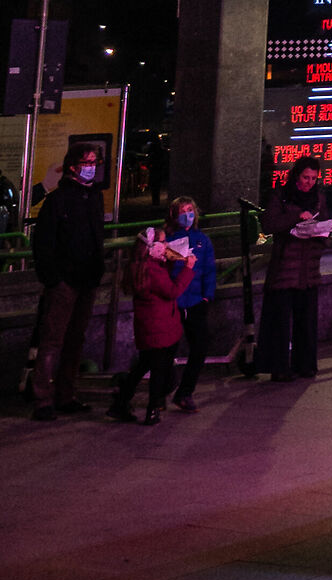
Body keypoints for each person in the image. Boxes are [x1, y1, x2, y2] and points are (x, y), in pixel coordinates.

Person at [28, 140, 108, 421]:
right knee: (53, 340)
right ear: (73, 166)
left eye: (94, 163)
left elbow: (96, 235)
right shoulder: (58, 200)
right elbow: (44, 243)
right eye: (87, 163)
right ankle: (42, 398)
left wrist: (98, 269)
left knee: (75, 340)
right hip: (64, 281)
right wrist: (53, 279)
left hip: (87, 279)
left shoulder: (94, 197)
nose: (92, 168)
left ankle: (66, 394)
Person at [251, 160, 332, 381]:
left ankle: (304, 365)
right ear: (297, 175)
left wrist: (321, 234)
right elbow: (269, 224)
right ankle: (278, 367)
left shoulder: (318, 198)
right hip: (285, 269)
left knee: (306, 320)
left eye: (314, 178)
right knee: (279, 321)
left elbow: (326, 224)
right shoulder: (282, 196)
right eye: (306, 178)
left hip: (308, 269)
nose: (309, 182)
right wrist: (296, 218)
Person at [109, 223, 195, 425]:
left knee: (143, 366)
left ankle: (121, 403)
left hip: (148, 329)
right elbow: (172, 291)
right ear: (152, 247)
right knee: (159, 370)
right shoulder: (154, 272)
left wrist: (171, 262)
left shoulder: (141, 267)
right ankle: (152, 410)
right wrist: (187, 269)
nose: (166, 245)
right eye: (163, 242)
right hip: (161, 328)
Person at [162, 196, 217, 411]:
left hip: (195, 302)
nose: (187, 214)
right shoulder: (168, 239)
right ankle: (163, 389)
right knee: (167, 348)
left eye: (190, 210)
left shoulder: (202, 240)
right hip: (174, 301)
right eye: (182, 211)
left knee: (200, 346)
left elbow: (209, 271)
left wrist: (206, 297)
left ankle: (185, 392)